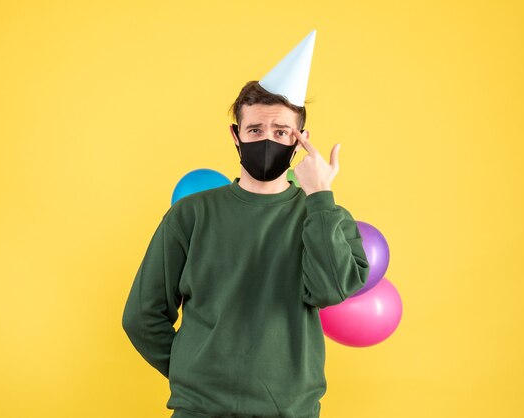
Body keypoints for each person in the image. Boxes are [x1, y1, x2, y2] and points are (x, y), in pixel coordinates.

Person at [122, 31, 370, 418]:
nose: (267, 139)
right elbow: (142, 314)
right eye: (255, 130)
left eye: (281, 132)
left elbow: (332, 290)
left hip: (290, 412)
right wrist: (191, 376)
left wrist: (320, 196)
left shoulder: (325, 216)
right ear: (235, 136)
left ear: (301, 141)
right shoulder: (190, 215)